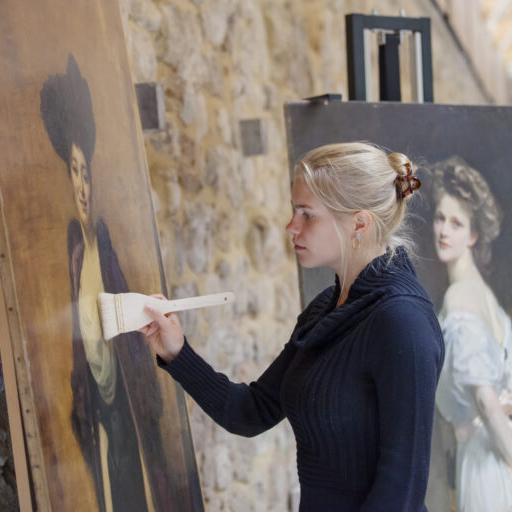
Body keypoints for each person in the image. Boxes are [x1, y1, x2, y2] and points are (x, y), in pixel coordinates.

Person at [140, 142, 445, 512]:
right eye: (293, 211)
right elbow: (251, 412)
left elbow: (402, 491)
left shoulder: (403, 323)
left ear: (359, 224)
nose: (291, 227)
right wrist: (176, 352)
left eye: (307, 215)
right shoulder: (325, 310)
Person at [40, 54, 178, 511]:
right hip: (98, 407)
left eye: (86, 172)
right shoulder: (72, 252)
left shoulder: (104, 246)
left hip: (126, 407)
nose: (81, 184)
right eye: (73, 172)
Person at [429, 156, 512, 511]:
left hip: (489, 457)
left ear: (473, 235)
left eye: (456, 224)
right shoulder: (487, 297)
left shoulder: (459, 299)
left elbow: (487, 400)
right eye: (440, 218)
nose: (443, 231)